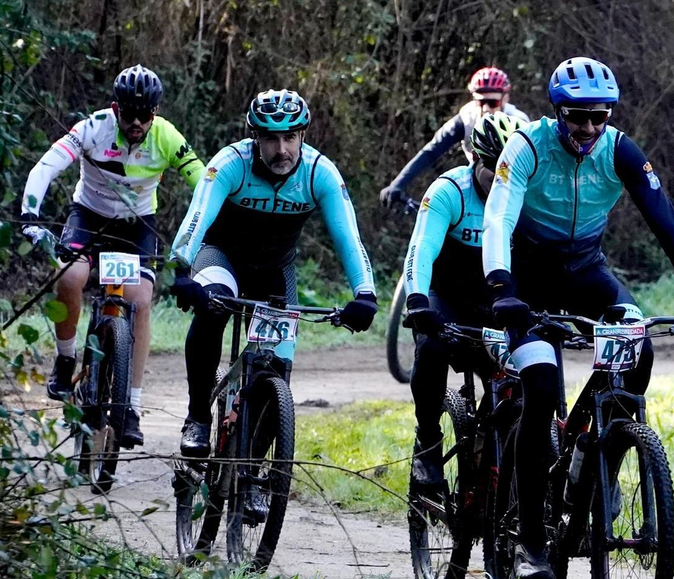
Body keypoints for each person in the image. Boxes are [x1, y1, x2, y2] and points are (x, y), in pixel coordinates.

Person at [480, 55, 674, 579]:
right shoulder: (526, 147)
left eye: (600, 117)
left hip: (587, 274)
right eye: (578, 118)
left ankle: (594, 461)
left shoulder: (619, 150)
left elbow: (666, 222)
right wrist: (502, 288)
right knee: (542, 383)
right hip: (526, 283)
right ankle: (529, 544)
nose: (590, 129)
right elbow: (498, 216)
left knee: (638, 351)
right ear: (557, 112)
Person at [167, 89, 379, 459]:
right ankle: (198, 417)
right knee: (212, 308)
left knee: (278, 368)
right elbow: (197, 216)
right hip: (221, 257)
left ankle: (255, 470)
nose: (281, 149)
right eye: (270, 138)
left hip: (274, 270)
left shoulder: (320, 173)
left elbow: (349, 238)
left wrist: (365, 293)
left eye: (290, 138)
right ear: (255, 138)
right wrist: (182, 268)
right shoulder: (231, 163)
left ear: (303, 136)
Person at [19, 64, 203, 448]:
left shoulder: (167, 136)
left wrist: (204, 233)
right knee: (68, 276)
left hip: (137, 225)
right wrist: (30, 216)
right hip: (88, 216)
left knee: (140, 300)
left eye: (145, 114)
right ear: (114, 107)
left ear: (155, 112)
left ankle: (131, 406)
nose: (136, 122)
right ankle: (66, 357)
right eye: (129, 112)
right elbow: (47, 166)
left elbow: (204, 185)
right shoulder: (93, 127)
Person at [402, 111, 527, 486]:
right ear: (475, 159)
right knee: (433, 349)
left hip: (498, 305)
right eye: (494, 168)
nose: (503, 178)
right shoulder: (449, 191)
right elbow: (420, 250)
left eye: (511, 168)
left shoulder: (526, 194)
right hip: (448, 302)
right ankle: (427, 443)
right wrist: (418, 301)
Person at [378, 67, 530, 209]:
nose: (485, 108)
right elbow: (432, 151)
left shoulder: (520, 122)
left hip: (512, 189)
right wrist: (397, 184)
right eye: (480, 101)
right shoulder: (466, 118)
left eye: (492, 102)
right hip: (476, 186)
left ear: (505, 99)